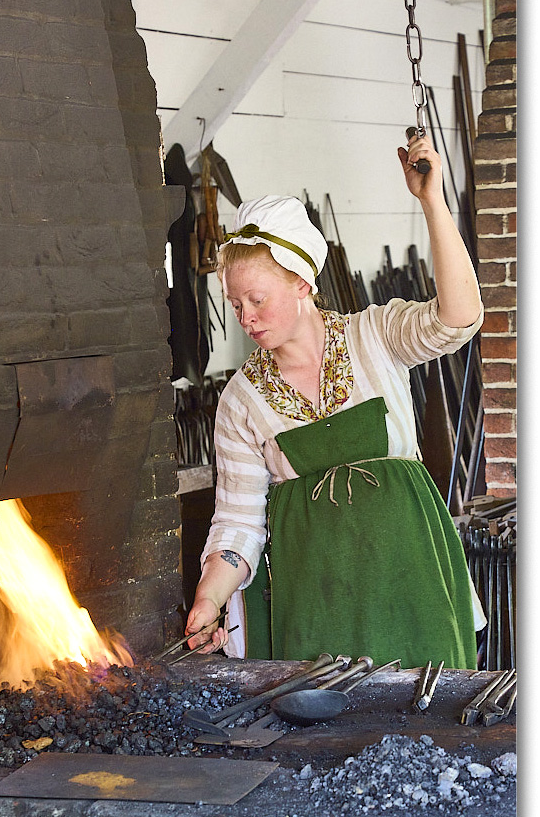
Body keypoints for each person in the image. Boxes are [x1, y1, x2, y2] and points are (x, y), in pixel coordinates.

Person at [185, 134, 486, 669]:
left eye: (258, 299)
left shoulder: (376, 337)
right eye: (234, 303)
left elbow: (457, 319)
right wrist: (209, 597)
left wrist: (431, 201)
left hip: (412, 582)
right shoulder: (241, 401)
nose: (246, 316)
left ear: (303, 284)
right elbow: (238, 524)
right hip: (314, 605)